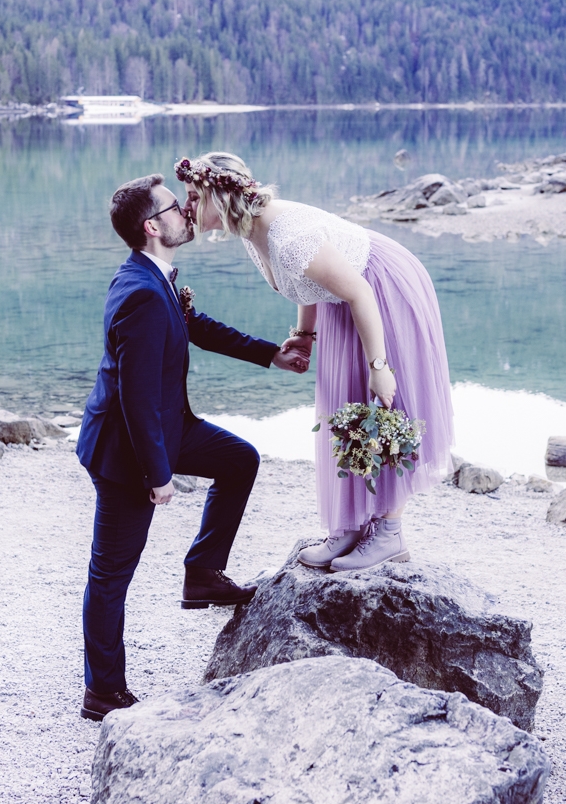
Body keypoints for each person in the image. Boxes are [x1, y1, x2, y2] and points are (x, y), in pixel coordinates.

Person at [75, 173, 306, 721]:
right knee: (110, 575)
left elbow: (197, 327)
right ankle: (102, 691)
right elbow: (133, 397)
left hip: (166, 427)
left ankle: (202, 573)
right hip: (127, 450)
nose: (188, 213)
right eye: (175, 208)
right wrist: (159, 476)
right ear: (153, 227)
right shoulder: (139, 295)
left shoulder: (156, 280)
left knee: (238, 459)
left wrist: (272, 354)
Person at [175, 152, 453, 572]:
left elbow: (359, 291)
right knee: (345, 408)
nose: (188, 207)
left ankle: (390, 533)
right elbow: (305, 283)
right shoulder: (253, 228)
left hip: (379, 291)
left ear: (219, 195)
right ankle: (351, 525)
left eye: (195, 196)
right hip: (342, 302)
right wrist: (304, 336)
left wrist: (379, 366)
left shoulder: (285, 235)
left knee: (380, 407)